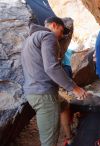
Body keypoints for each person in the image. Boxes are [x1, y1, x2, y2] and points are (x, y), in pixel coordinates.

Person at [21, 16, 87, 146]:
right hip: (44, 94)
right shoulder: (48, 36)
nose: (62, 36)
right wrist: (75, 88)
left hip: (32, 91)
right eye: (62, 31)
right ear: (54, 25)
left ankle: (69, 137)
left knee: (63, 105)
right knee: (49, 142)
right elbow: (52, 67)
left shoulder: (29, 40)